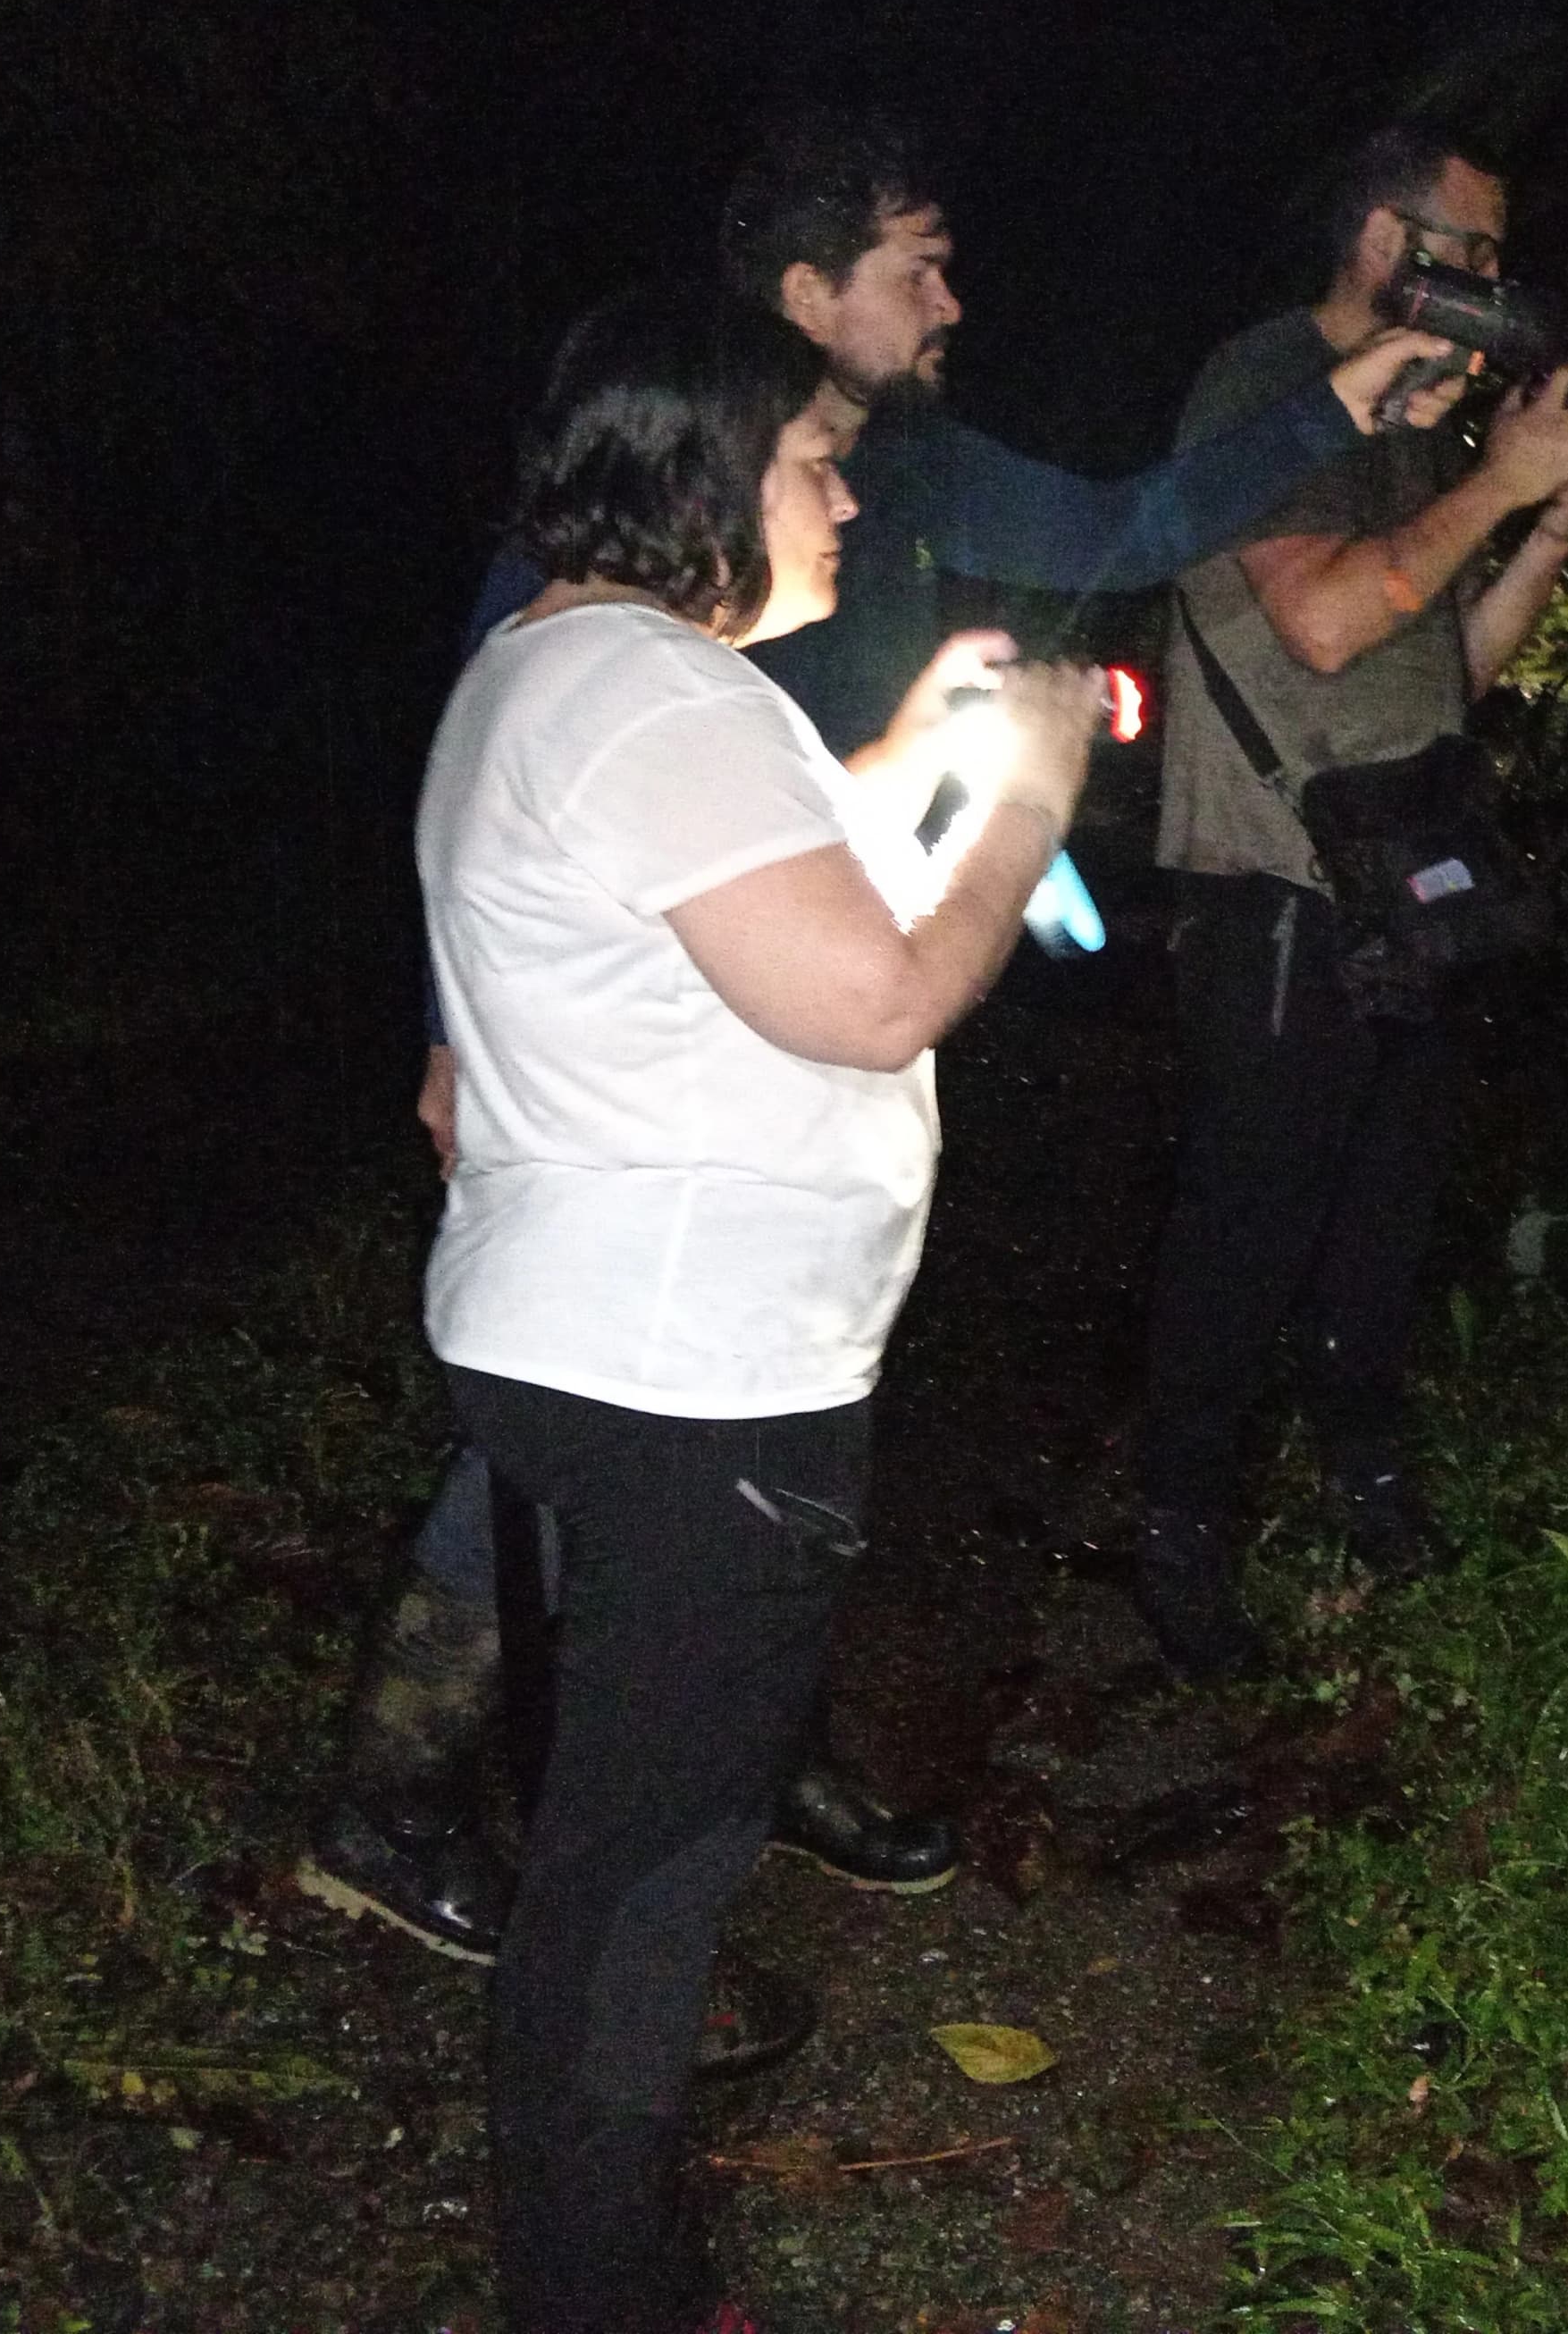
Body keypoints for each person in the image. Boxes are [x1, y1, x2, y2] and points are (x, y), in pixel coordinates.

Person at [306, 110, 1452, 1960]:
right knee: (585, 1415)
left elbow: (1131, 524)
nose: (954, 299)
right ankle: (405, 1787)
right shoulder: (650, 513)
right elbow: (505, 771)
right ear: (801, 300)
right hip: (655, 1050)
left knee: (774, 1401)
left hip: (799, 1010)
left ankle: (754, 1752)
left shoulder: (905, 475)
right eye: (917, 263)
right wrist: (461, 1034)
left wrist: (1339, 399)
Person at [414, 284, 1103, 2333]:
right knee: (644, 1888)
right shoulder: (654, 700)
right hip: (693, 1384)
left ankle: (592, 2250)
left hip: (591, 1346)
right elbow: (877, 989)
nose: (843, 494)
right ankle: (597, 2290)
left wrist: (907, 758)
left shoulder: (563, 675)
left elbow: (740, 907)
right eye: (813, 460)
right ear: (704, 469)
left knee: (619, 1846)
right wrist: (1039, 794)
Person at [1133, 124, 1568, 1680]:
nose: (1500, 287)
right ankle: (1179, 1537)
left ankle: (1370, 1490)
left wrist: (1546, 524)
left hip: (1408, 889)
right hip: (1280, 900)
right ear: (1384, 240)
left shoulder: (1424, 431)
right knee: (1249, 1233)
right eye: (1475, 251)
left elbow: (1442, 671)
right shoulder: (1266, 393)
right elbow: (1321, 623)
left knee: (1380, 1225)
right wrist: (1498, 478)